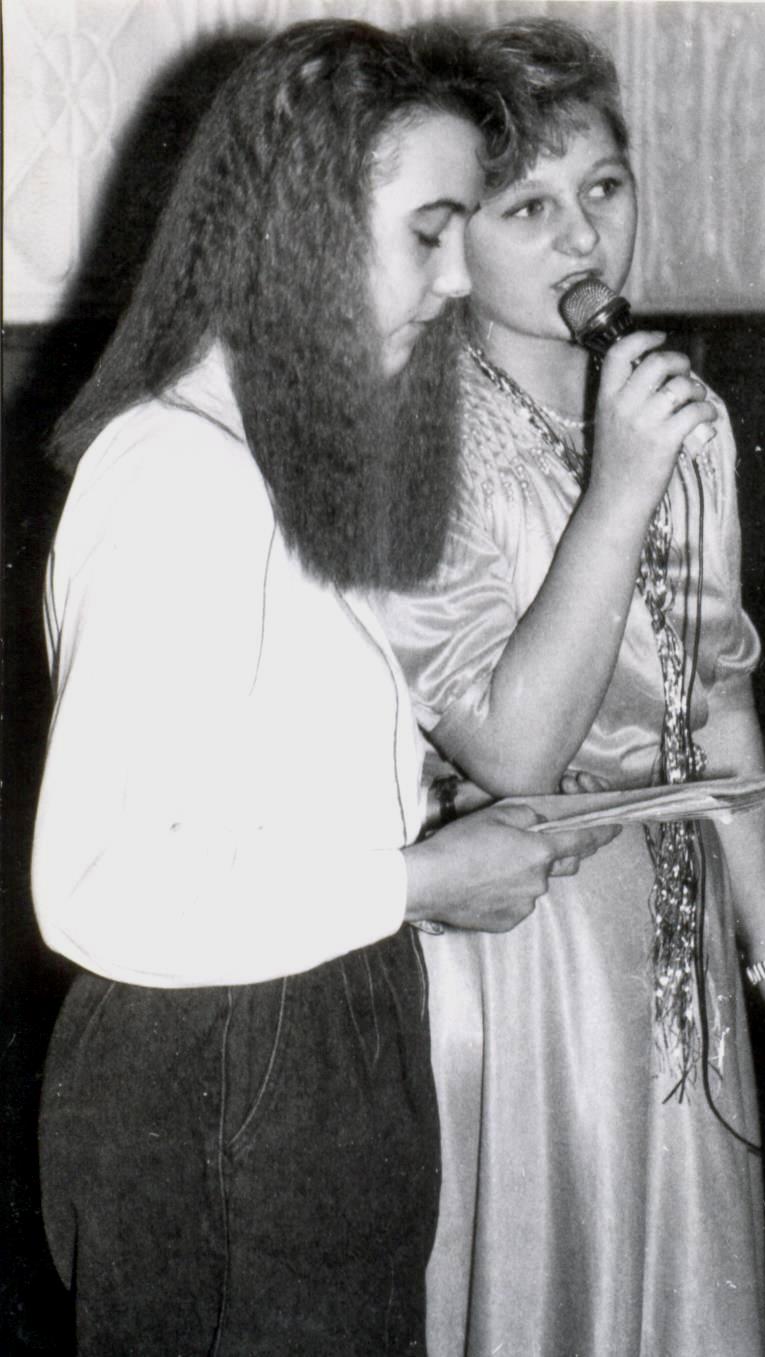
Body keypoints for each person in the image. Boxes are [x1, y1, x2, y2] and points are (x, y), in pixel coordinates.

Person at [29, 21, 611, 1355]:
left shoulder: (256, 468)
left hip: (303, 1030)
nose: (456, 278)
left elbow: (251, 796)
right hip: (229, 1057)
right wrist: (416, 880)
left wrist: (441, 840)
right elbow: (100, 884)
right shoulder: (173, 479)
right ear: (296, 225)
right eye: (429, 232)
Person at [378, 18, 765, 1357]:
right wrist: (624, 479)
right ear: (453, 241)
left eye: (603, 187)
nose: (583, 236)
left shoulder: (675, 415)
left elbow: (716, 699)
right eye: (526, 208)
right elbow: (508, 752)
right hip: (514, 947)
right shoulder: (419, 436)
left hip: (676, 940)